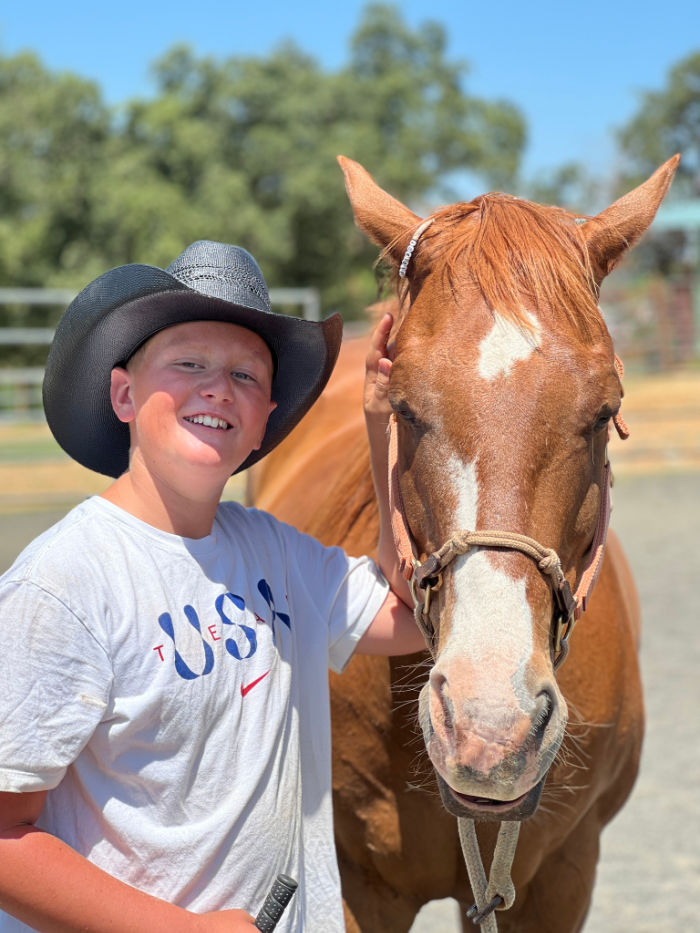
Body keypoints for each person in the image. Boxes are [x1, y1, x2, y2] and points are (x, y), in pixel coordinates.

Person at [0, 241, 423, 933]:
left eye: (245, 376)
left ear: (262, 423)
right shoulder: (64, 583)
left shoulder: (275, 550)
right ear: (124, 393)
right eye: (188, 364)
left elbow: (409, 615)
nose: (218, 388)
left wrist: (382, 428)